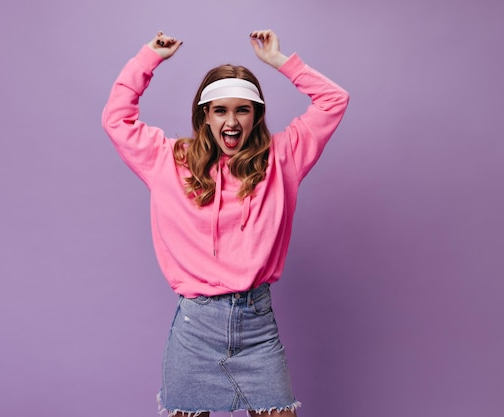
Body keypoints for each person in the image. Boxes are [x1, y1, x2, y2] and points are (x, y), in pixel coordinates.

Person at [102, 29, 349, 417]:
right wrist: (147, 59)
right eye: (220, 110)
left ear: (257, 115)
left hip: (257, 325)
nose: (231, 121)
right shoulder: (169, 160)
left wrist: (280, 61)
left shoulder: (281, 159)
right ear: (205, 115)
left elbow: (334, 101)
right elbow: (116, 119)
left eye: (242, 109)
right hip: (195, 328)